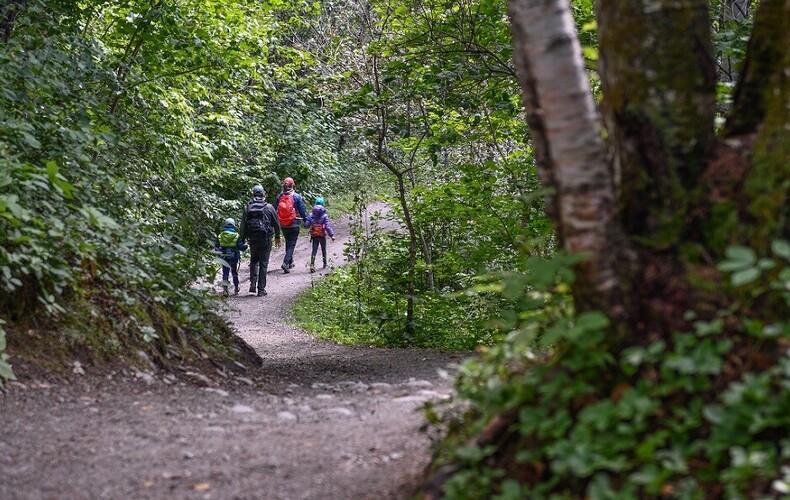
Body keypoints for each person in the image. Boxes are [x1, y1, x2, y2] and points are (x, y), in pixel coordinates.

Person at [239, 185, 281, 296]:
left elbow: (243, 225)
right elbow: (276, 224)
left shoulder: (247, 207)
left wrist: (241, 239)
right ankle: (261, 289)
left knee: (253, 260)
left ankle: (253, 283)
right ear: (263, 194)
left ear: (253, 194)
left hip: (252, 239)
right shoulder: (269, 207)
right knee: (263, 263)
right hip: (265, 239)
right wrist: (277, 237)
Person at [274, 177, 307, 274]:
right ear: (293, 185)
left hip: (283, 224)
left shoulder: (280, 196)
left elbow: (273, 208)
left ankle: (290, 262)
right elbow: (302, 211)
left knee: (288, 242)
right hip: (294, 223)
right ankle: (285, 263)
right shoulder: (297, 197)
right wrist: (306, 221)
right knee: (291, 244)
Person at [215, 218, 248, 296]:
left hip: (224, 257)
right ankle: (236, 287)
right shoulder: (236, 235)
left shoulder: (220, 236)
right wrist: (246, 246)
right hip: (234, 257)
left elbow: (216, 247)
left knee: (225, 273)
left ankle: (225, 290)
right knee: (234, 272)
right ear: (233, 225)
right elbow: (241, 247)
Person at [303, 197, 335, 273]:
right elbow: (327, 226)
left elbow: (306, 225)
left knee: (314, 250)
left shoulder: (311, 214)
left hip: (314, 236)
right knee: (323, 249)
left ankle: (312, 264)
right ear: (323, 204)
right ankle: (325, 263)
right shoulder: (324, 216)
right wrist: (332, 235)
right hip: (322, 235)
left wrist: (306, 222)